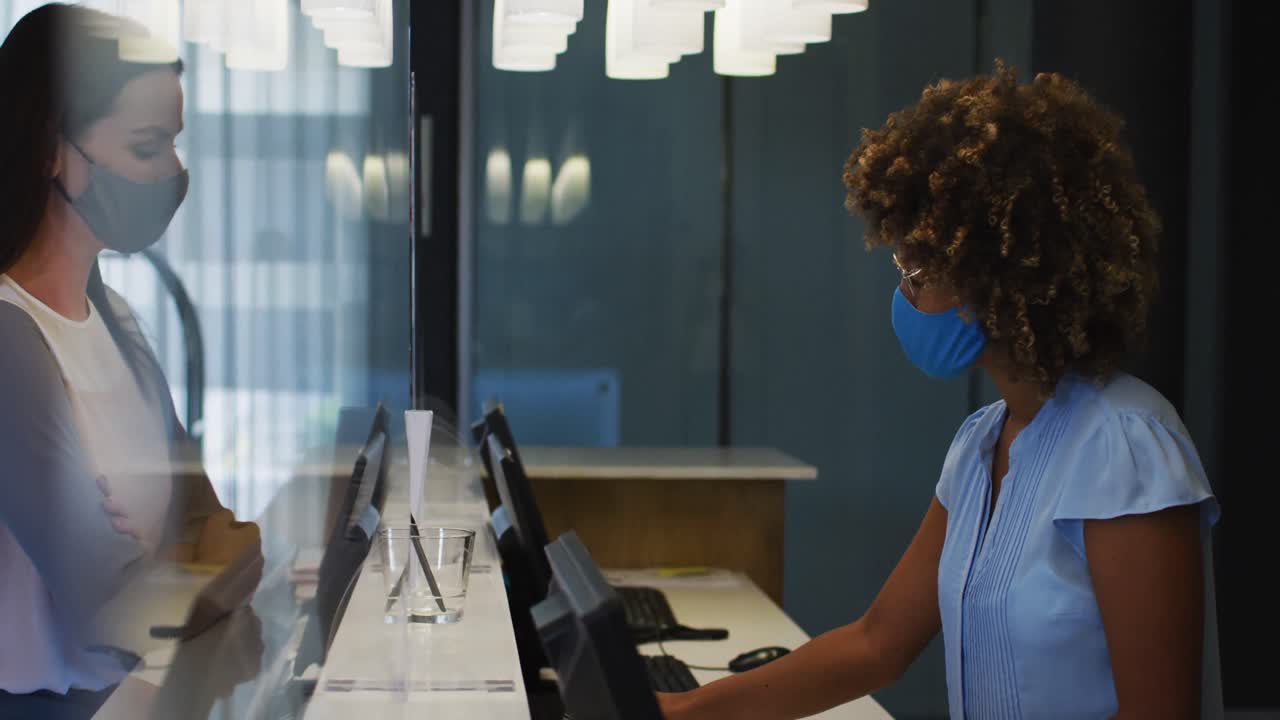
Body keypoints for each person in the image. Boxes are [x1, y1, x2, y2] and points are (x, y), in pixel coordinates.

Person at [659, 64, 1221, 720]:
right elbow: (877, 645)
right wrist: (683, 710)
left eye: (919, 269)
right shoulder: (981, 443)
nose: (906, 296)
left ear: (1004, 276)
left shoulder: (1126, 443)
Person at [0, 5, 260, 718]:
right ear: (52, 149)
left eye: (175, 146)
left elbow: (214, 524)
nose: (172, 173)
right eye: (148, 148)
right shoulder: (10, 340)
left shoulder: (114, 318)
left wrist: (192, 559)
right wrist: (190, 562)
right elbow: (117, 607)